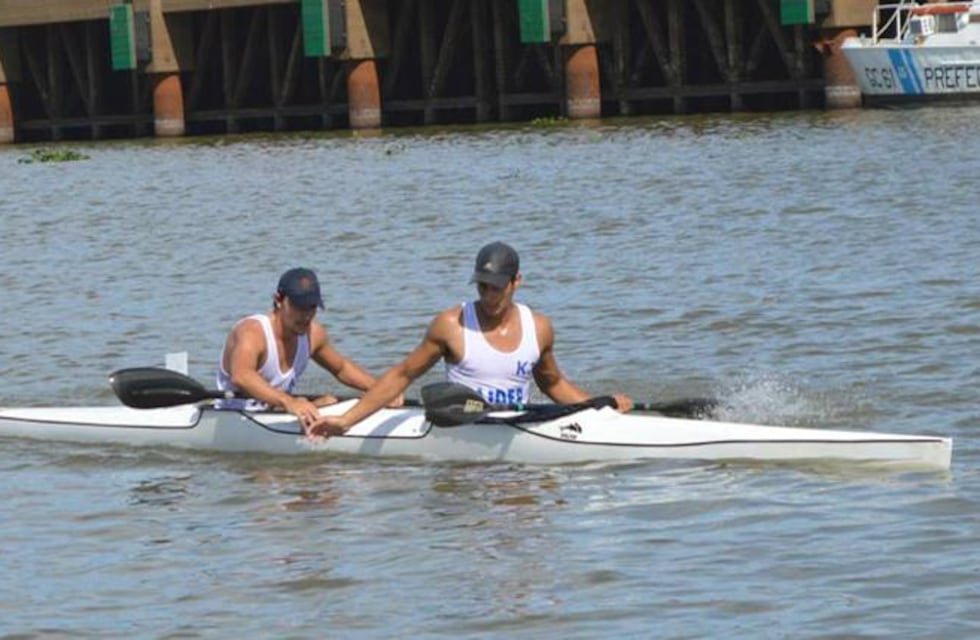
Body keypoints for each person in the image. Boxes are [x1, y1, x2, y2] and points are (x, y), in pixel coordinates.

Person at [307, 242, 632, 437]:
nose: (489, 296)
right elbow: (402, 375)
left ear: (516, 282)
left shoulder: (540, 327)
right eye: (482, 287)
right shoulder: (451, 325)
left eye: (497, 287)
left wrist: (597, 409)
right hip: (463, 426)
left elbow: (554, 383)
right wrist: (346, 421)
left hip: (518, 424)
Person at [216, 267, 392, 430]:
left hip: (277, 411)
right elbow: (242, 376)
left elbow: (341, 368)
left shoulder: (313, 333)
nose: (306, 316)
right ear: (279, 300)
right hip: (234, 419)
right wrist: (289, 402)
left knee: (330, 401)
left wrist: (380, 390)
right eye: (299, 307)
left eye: (312, 307)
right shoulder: (252, 332)